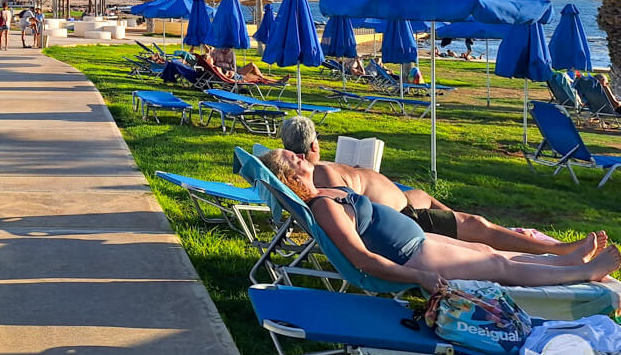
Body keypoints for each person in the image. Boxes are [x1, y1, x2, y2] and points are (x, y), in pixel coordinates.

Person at [259, 147, 619, 290]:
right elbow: (361, 259)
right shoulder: (322, 207)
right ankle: (580, 272)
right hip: (411, 254)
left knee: (482, 247)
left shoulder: (325, 192)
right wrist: (419, 277)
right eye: (288, 158)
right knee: (496, 265)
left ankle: (563, 258)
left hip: (416, 239)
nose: (295, 153)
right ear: (291, 178)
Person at [280, 116, 605, 258]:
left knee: (434, 201)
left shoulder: (317, 171)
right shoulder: (320, 172)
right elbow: (352, 208)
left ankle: (488, 231)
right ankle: (556, 250)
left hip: (406, 203)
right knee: (476, 224)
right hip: (404, 221)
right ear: (311, 147)